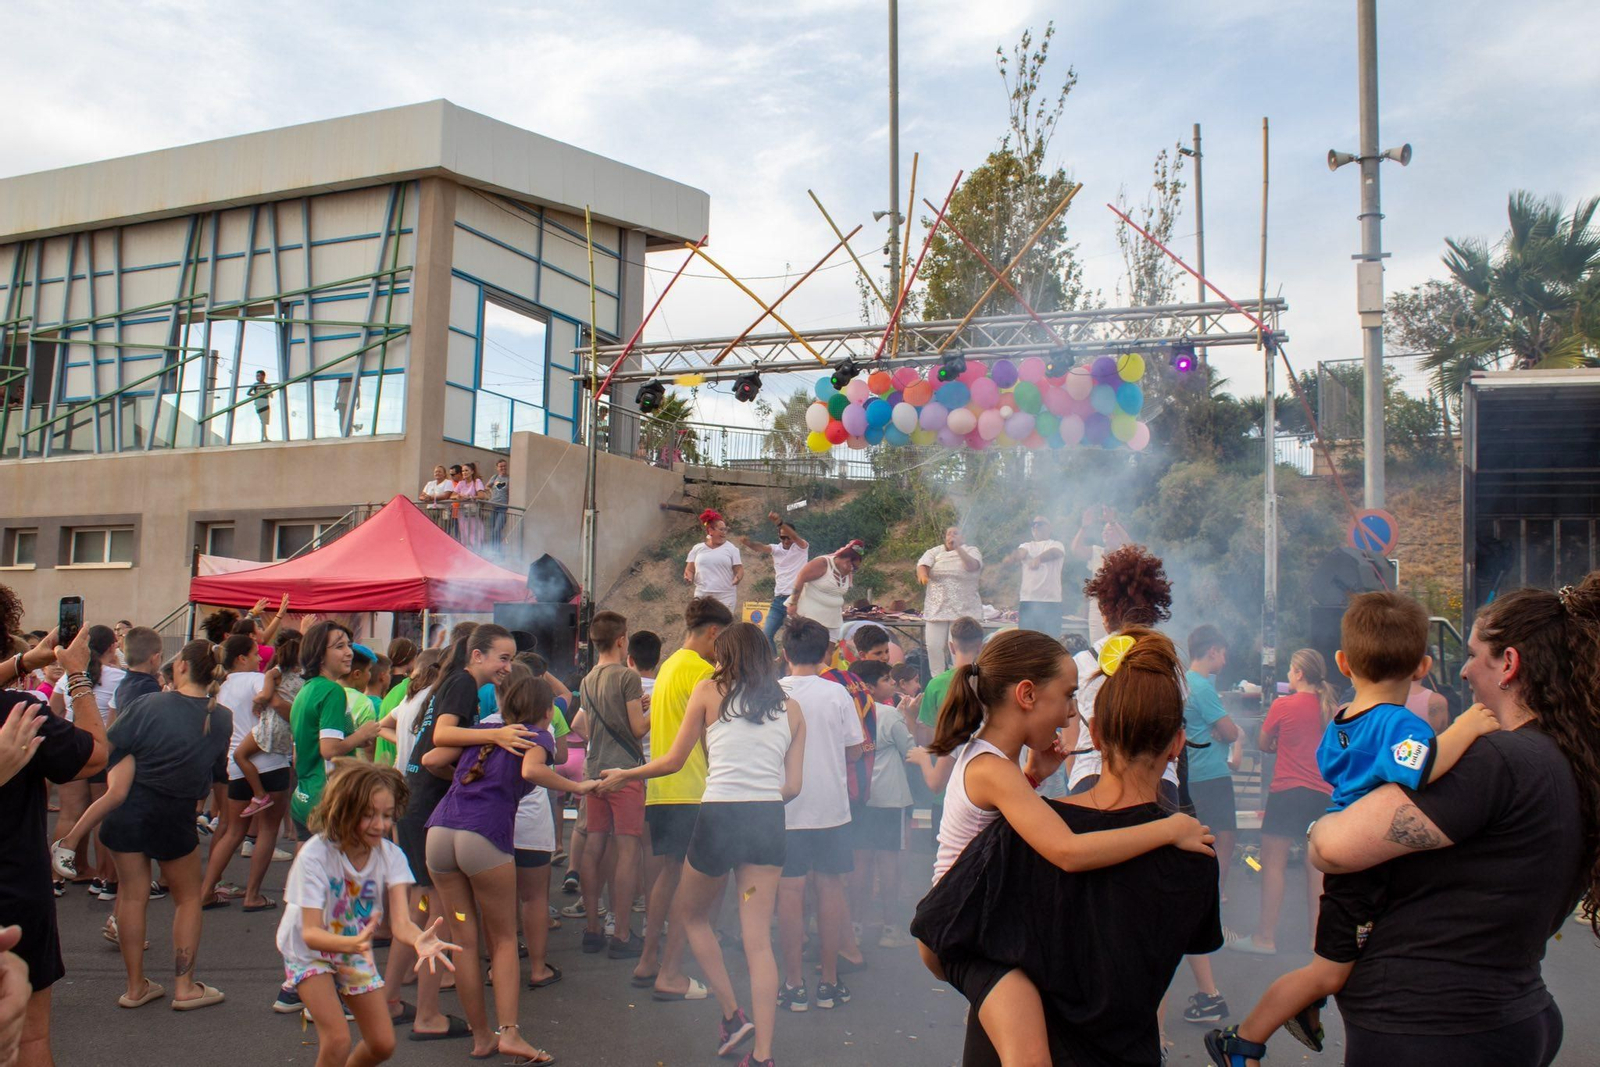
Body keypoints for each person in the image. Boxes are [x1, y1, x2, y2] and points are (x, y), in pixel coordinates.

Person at [1292, 576, 1600, 1067]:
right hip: (1502, 1011)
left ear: (1509, 665)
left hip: (1432, 1027)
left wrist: (1315, 830)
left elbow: (1333, 847)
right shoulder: (1561, 758)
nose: (1464, 672)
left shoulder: (1496, 760)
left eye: (1476, 654)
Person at [1209, 595, 1504, 1067]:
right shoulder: (1400, 722)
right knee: (1327, 970)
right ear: (1423, 666)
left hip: (1343, 851)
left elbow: (1331, 765)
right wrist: (1468, 726)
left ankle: (1307, 1009)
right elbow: (1421, 765)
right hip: (1364, 864)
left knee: (1337, 964)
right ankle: (1243, 1040)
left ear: (1344, 664)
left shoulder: (1342, 720)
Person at [912, 627, 1221, 1066]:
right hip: (960, 927)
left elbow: (1005, 826)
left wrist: (1035, 777)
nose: (1070, 713)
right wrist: (1169, 829)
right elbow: (1068, 851)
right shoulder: (992, 769)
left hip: (975, 922)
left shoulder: (999, 767)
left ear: (1097, 735)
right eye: (1067, 696)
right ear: (1026, 695)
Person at [600, 622, 806, 1067]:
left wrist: (625, 774)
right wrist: (763, 796)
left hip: (719, 816)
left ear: (725, 655)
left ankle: (733, 1015)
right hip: (767, 819)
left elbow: (673, 760)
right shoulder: (791, 708)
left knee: (692, 915)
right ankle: (764, 1055)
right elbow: (792, 786)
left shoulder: (710, 691)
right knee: (757, 940)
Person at [423, 663, 588, 1064]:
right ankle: (510, 1033)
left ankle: (482, 1037)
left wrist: (465, 776)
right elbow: (533, 769)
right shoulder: (540, 735)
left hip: (440, 832)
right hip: (483, 836)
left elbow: (430, 759)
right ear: (546, 710)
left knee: (464, 939)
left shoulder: (482, 730)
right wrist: (579, 786)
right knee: (501, 940)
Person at [278, 761, 459, 1067]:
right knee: (337, 1040)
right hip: (309, 951)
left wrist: (419, 940)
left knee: (382, 1043)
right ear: (344, 810)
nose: (380, 824)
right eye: (368, 814)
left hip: (353, 948)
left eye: (387, 815)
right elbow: (309, 932)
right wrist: (350, 944)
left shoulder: (391, 856)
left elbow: (401, 922)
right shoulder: (315, 855)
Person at [98, 639, 233, 1011]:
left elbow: (111, 746)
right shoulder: (220, 717)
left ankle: (135, 986)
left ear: (183, 667)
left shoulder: (149, 704)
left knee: (132, 895)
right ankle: (185, 986)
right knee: (187, 898)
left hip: (130, 808)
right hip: (176, 812)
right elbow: (215, 767)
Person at [1, 624, 107, 1067]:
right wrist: (78, 676)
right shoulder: (18, 714)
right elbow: (96, 754)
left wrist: (25, 663)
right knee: (29, 1040)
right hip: (16, 894)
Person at [638, 596, 733, 998]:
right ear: (713, 632)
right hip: (694, 787)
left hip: (663, 788)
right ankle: (671, 973)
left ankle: (648, 961)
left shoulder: (669, 666)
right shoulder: (703, 671)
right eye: (724, 639)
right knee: (690, 887)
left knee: (669, 877)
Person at [775, 616, 864, 1012]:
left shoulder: (771, 694)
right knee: (831, 890)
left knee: (789, 894)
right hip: (831, 809)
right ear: (826, 653)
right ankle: (829, 981)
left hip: (783, 808)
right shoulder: (837, 694)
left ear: (784, 653)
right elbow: (855, 749)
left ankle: (793, 984)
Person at [1227, 648, 1339, 956]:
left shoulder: (1283, 705)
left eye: (1290, 670)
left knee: (1272, 865)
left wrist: (1279, 742)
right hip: (1322, 794)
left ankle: (1266, 937)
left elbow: (1264, 743)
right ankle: (1317, 941)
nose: (1288, 675)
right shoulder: (1332, 708)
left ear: (1299, 674)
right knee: (1315, 868)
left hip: (1287, 792)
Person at [199, 635, 293, 912]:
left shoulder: (220, 686)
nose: (258, 659)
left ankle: (206, 890)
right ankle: (253, 894)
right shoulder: (254, 679)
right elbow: (276, 705)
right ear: (241, 658)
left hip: (236, 765)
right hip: (270, 760)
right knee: (267, 830)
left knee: (232, 832)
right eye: (254, 654)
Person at [574, 611, 647, 957]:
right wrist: (653, 711)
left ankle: (591, 928)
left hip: (594, 771)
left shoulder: (588, 680)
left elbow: (582, 725)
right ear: (622, 640)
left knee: (594, 846)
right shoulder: (628, 677)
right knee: (628, 849)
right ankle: (621, 933)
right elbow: (637, 730)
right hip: (625, 773)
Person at [288, 623, 382, 837]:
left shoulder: (307, 688)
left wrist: (354, 739)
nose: (348, 652)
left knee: (307, 867)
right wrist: (362, 734)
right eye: (339, 646)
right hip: (327, 798)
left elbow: (300, 752)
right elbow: (329, 749)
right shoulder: (332, 691)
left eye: (348, 645)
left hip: (304, 795)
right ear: (320, 654)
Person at [849, 660, 917, 949]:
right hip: (890, 799)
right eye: (887, 680)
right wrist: (910, 717)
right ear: (869, 686)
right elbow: (911, 752)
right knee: (889, 863)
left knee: (860, 864)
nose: (892, 684)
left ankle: (854, 927)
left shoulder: (849, 712)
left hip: (859, 798)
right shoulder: (889, 713)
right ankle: (890, 929)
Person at [918, 527, 984, 675]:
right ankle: (938, 681)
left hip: (963, 610)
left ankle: (961, 679)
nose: (951, 536)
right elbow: (922, 565)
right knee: (934, 647)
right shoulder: (935, 552)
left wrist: (958, 549)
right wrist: (923, 575)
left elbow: (972, 566)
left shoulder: (972, 551)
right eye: (948, 533)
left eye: (955, 533)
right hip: (936, 609)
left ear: (963, 538)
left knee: (958, 649)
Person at [740, 511, 810, 643]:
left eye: (788, 537)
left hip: (796, 598)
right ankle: (772, 663)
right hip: (779, 599)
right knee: (766, 635)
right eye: (782, 538)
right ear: (779, 537)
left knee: (796, 638)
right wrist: (748, 543)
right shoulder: (776, 549)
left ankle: (792, 662)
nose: (786, 541)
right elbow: (760, 547)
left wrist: (779, 522)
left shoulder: (801, 547)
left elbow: (794, 536)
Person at [1070, 505, 1131, 644]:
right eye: (1105, 531)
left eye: (1110, 530)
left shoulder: (1124, 553)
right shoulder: (1096, 551)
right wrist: (1084, 527)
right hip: (1098, 608)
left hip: (1119, 606)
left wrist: (1113, 522)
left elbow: (1131, 547)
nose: (1106, 533)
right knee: (1098, 645)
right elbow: (1075, 550)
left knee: (1119, 645)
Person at [1004, 516, 1067, 637]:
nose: (1036, 526)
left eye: (1040, 523)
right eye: (1033, 524)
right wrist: (1013, 557)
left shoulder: (1056, 544)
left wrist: (1039, 559)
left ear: (1049, 528)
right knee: (1027, 642)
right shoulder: (1026, 545)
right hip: (1028, 601)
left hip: (1051, 603)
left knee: (1050, 643)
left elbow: (1055, 552)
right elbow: (1021, 553)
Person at [789, 540, 863, 642]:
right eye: (853, 567)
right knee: (809, 649)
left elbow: (836, 594)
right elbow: (801, 578)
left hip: (833, 619)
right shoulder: (823, 563)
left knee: (827, 654)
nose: (852, 571)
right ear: (847, 560)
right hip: (810, 616)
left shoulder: (846, 574)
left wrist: (841, 610)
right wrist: (793, 603)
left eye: (855, 569)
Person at [685, 509, 743, 614]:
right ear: (710, 530)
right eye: (721, 530)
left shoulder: (731, 549)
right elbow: (689, 569)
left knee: (722, 627)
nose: (724, 533)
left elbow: (739, 569)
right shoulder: (697, 548)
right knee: (701, 626)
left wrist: (738, 577)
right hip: (702, 596)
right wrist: (688, 576)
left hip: (725, 596)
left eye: (725, 530)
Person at [455, 461, 486, 548]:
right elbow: (452, 495)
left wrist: (470, 497)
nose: (464, 473)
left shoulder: (477, 481)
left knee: (474, 534)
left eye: (466, 470)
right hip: (462, 513)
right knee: (464, 534)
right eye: (463, 471)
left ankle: (477, 553)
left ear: (472, 471)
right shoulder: (461, 483)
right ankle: (466, 554)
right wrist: (458, 496)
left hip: (472, 513)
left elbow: (482, 495)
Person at [486, 458, 512, 547]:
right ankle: (494, 549)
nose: (503, 468)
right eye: (501, 466)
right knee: (492, 530)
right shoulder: (495, 477)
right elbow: (487, 486)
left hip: (503, 507)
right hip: (493, 506)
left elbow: (510, 492)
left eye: (504, 466)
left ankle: (496, 550)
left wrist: (508, 507)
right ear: (497, 467)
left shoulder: (509, 478)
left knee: (497, 529)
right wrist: (491, 493)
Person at [246, 369, 272, 439]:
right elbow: (248, 393)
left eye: (259, 376)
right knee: (262, 421)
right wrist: (255, 395)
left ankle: (264, 436)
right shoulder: (255, 385)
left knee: (264, 421)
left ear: (263, 376)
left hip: (265, 403)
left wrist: (268, 392)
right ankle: (263, 437)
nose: (257, 377)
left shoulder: (267, 385)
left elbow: (271, 395)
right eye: (256, 376)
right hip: (259, 403)